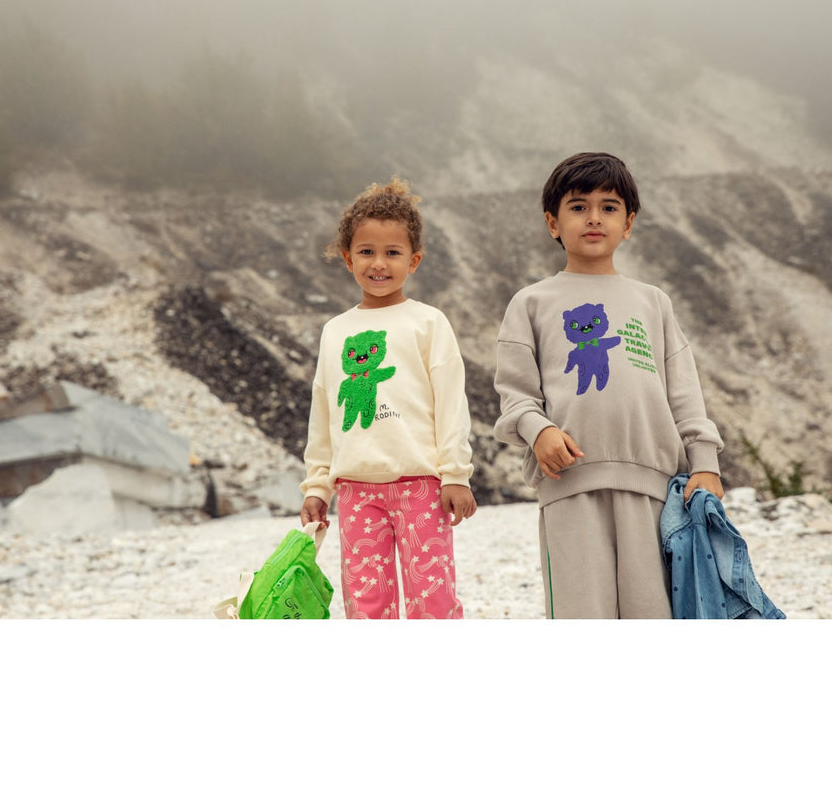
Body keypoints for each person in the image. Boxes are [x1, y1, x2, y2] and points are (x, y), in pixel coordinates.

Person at [493, 151, 724, 619]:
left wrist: (705, 462)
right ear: (553, 223)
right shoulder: (531, 303)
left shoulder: (653, 302)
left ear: (628, 223)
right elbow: (516, 394)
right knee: (583, 611)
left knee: (653, 614)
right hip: (569, 484)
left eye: (609, 207)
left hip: (656, 491)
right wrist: (539, 431)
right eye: (578, 207)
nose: (594, 218)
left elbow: (684, 393)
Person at [300, 176, 477, 619]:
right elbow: (323, 412)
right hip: (355, 491)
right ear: (348, 258)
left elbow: (451, 404)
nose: (378, 264)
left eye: (392, 253)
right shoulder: (335, 331)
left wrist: (455, 474)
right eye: (366, 252)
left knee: (433, 601)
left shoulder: (428, 323)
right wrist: (318, 484)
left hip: (421, 487)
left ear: (413, 260)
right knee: (366, 605)